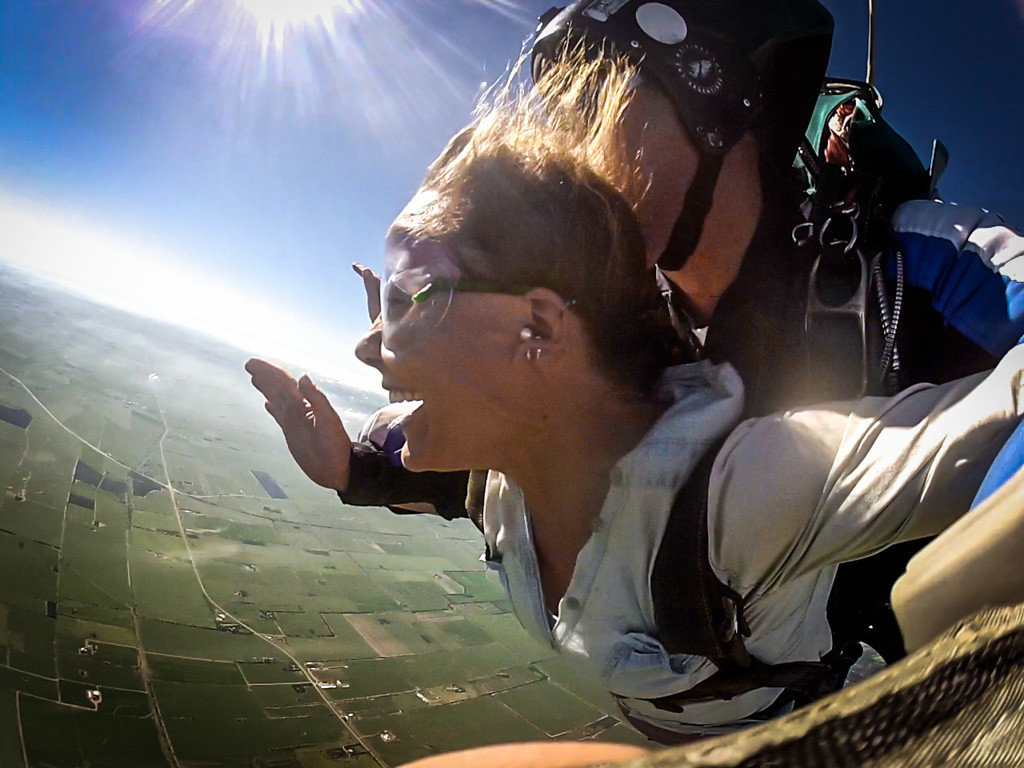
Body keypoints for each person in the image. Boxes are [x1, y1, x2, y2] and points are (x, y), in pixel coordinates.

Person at [246, 70, 1024, 739]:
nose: (368, 345)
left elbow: (1001, 422)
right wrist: (351, 466)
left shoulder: (744, 490)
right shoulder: (508, 464)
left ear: (540, 328)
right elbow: (435, 473)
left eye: (413, 298)